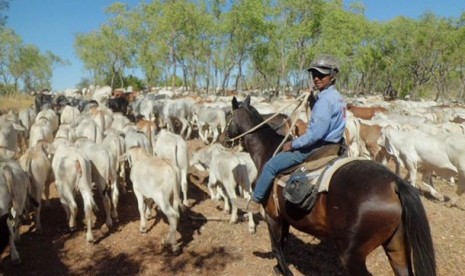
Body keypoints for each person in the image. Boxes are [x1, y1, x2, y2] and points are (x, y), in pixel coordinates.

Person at [231, 54, 346, 214]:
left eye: (322, 74)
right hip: (335, 145)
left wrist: (293, 143)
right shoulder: (336, 97)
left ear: (332, 76)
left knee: (270, 165)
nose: (316, 78)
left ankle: (255, 202)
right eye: (314, 74)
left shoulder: (325, 100)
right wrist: (313, 101)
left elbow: (315, 135)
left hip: (318, 147)